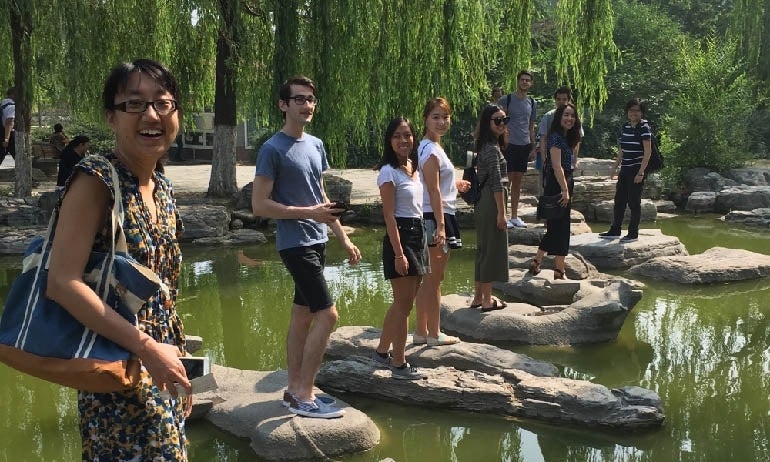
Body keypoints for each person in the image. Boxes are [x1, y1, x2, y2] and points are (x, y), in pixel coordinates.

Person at [45, 59, 192, 460]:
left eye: (163, 103)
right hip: (114, 374)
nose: (151, 115)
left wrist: (171, 352)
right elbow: (61, 282)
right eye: (134, 104)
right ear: (111, 117)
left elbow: (160, 290)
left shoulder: (160, 184)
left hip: (162, 366)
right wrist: (146, 346)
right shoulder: (95, 180)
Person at [251, 75, 361, 419]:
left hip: (317, 240)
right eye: (299, 99)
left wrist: (342, 237)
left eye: (311, 99)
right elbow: (259, 205)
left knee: (301, 316)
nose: (307, 105)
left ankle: (293, 390)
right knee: (328, 315)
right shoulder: (272, 149)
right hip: (294, 243)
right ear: (284, 105)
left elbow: (321, 198)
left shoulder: (315, 144)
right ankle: (304, 394)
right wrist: (307, 213)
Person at [371, 116, 429, 380]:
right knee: (404, 305)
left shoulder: (412, 167)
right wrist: (398, 253)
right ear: (389, 140)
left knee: (403, 303)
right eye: (397, 136)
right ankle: (399, 363)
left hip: (418, 234)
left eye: (407, 135)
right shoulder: (388, 172)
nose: (403, 140)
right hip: (402, 237)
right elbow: (389, 216)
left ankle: (382, 351)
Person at [413, 97, 470, 347]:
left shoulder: (429, 147)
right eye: (435, 117)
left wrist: (455, 185)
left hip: (436, 214)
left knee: (430, 278)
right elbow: (433, 191)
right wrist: (441, 226)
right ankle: (434, 333)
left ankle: (421, 331)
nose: (441, 122)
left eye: (445, 117)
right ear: (425, 119)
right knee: (434, 279)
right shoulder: (431, 150)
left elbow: (431, 184)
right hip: (437, 216)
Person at [529, 102, 582, 280]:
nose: (569, 118)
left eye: (572, 116)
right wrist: (565, 191)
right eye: (566, 115)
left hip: (565, 181)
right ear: (559, 117)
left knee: (557, 228)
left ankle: (537, 262)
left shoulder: (569, 137)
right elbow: (557, 166)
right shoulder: (555, 138)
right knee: (559, 228)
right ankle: (559, 270)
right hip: (557, 183)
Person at [468, 105, 509, 312]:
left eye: (504, 120)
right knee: (492, 250)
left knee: (483, 248)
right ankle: (486, 299)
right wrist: (502, 213)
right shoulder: (491, 149)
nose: (502, 124)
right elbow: (496, 183)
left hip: (483, 201)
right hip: (492, 201)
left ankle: (477, 297)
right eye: (497, 120)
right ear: (487, 123)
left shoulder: (485, 145)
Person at [598, 97, 652, 243]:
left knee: (634, 202)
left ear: (642, 113)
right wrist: (615, 167)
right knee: (619, 200)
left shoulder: (644, 128)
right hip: (625, 168)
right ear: (627, 112)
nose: (633, 113)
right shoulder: (625, 127)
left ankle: (633, 233)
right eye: (631, 110)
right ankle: (615, 230)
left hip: (637, 168)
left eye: (637, 110)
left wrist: (641, 172)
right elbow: (622, 149)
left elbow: (648, 152)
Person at [497, 70, 537, 229]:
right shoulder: (506, 99)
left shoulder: (532, 103)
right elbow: (499, 122)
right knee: (506, 180)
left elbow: (531, 126)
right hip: (509, 145)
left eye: (528, 80)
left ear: (531, 83)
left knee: (518, 182)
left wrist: (533, 147)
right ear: (518, 81)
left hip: (524, 144)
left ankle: (514, 215)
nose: (525, 82)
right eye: (522, 80)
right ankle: (503, 215)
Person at [1, 87, 15, 161]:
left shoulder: (2, 104)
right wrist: (6, 138)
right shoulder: (12, 107)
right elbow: (9, 122)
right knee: (19, 156)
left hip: (2, 133)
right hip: (9, 135)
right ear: (13, 95)